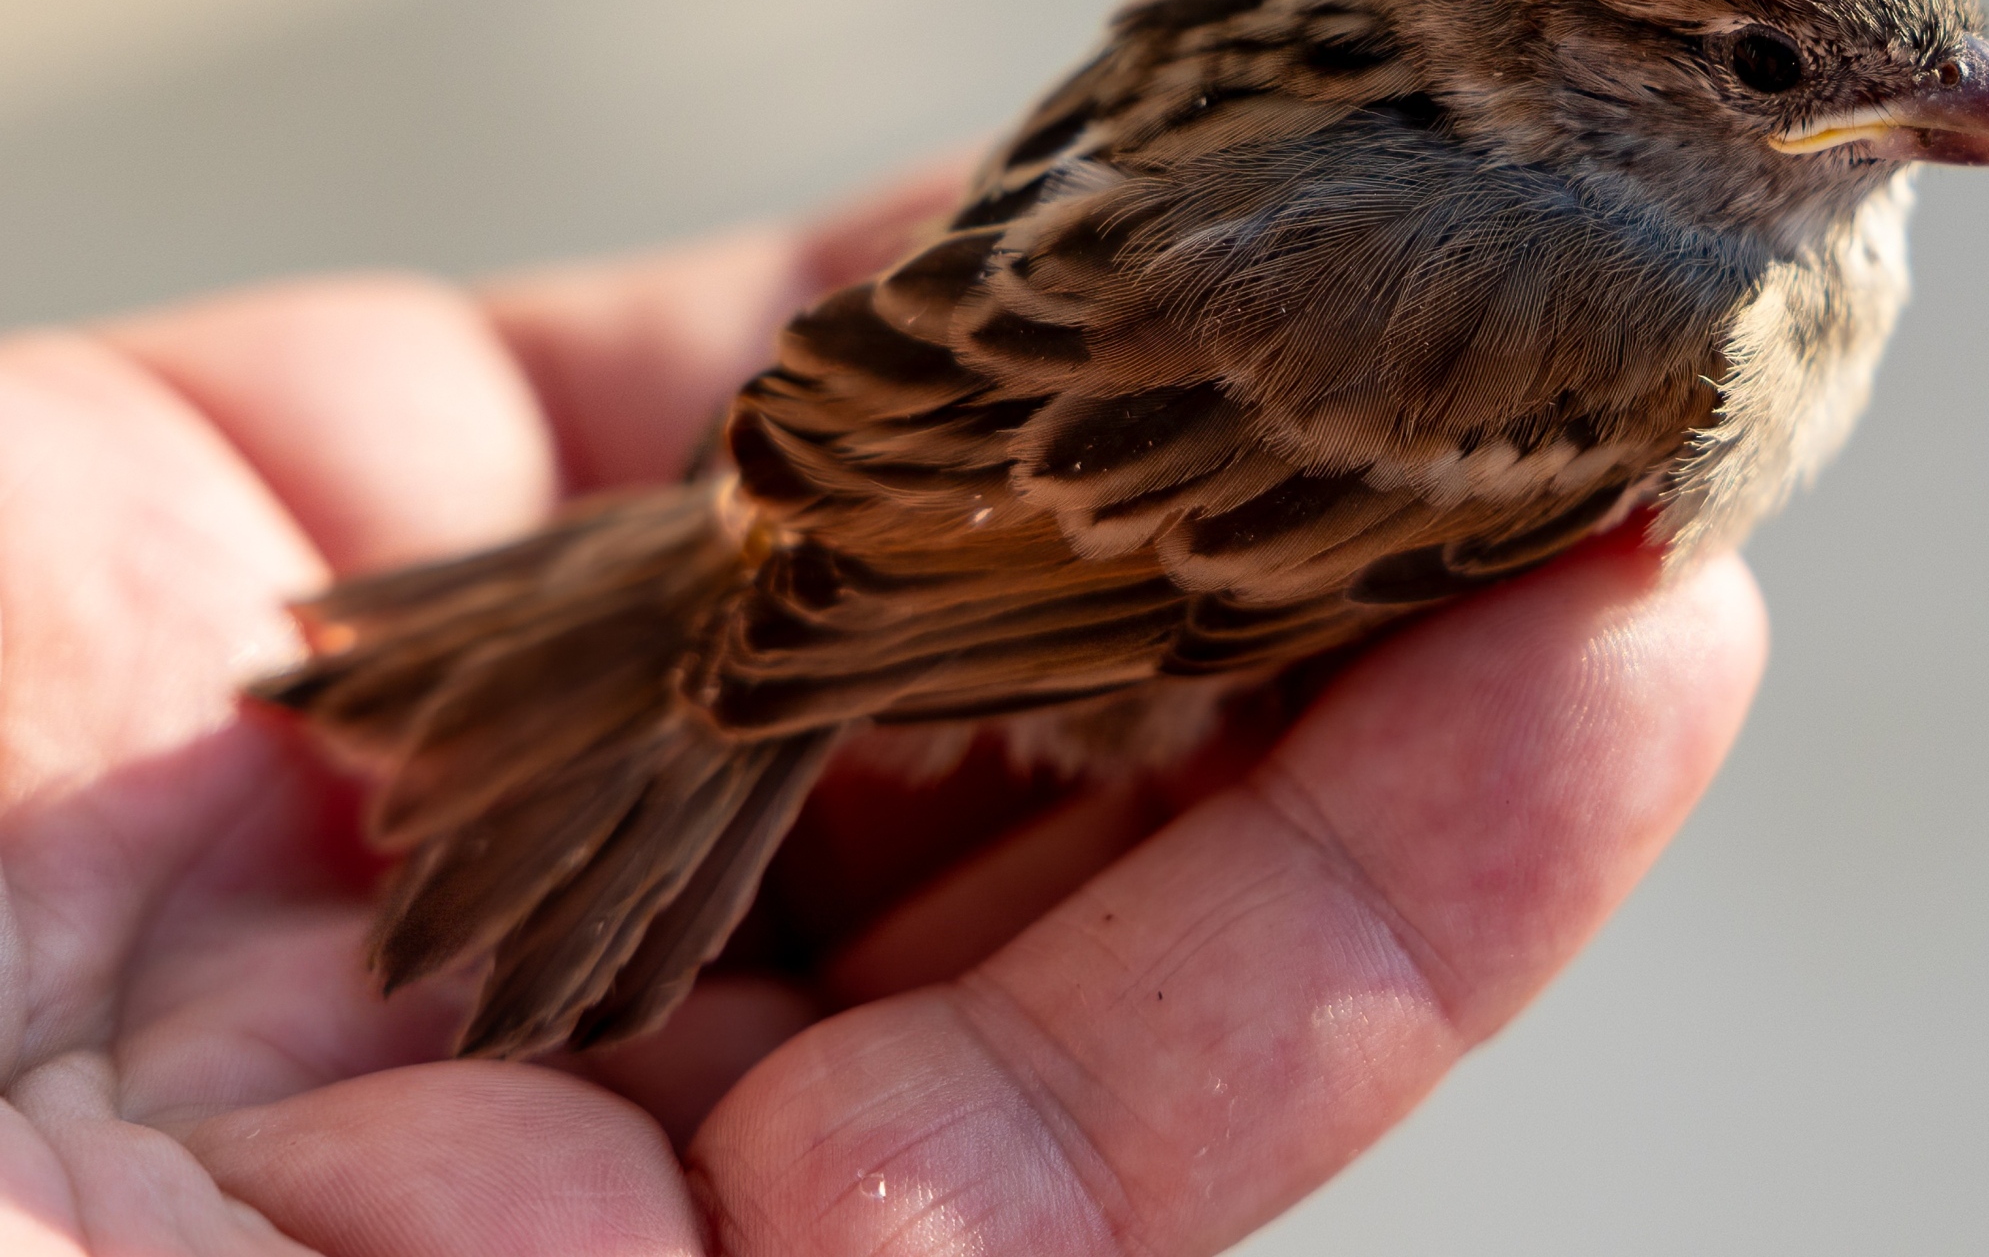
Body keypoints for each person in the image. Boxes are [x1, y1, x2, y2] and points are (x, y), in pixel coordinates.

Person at [0, 164, 1765, 1256]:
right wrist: (797, 635)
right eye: (1767, 71)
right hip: (984, 573)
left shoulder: (1324, 5)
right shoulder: (1630, 331)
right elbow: (1152, 561)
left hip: (897, 457)